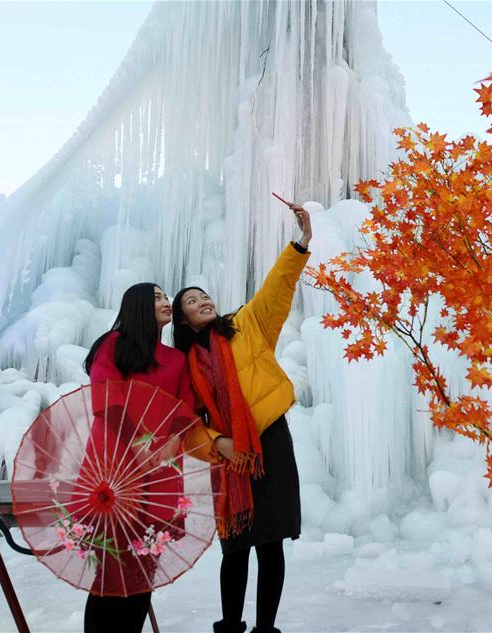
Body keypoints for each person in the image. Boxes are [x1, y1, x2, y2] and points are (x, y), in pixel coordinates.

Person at [174, 203, 312, 633]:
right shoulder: (186, 365)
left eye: (204, 295)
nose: (203, 301)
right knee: (234, 547)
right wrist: (218, 442)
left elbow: (277, 288)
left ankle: (265, 629)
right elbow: (186, 421)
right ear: (182, 319)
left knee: (271, 544)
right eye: (193, 301)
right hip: (227, 457)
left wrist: (300, 243)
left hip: (270, 443)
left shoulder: (247, 325)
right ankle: (230, 626)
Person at [82, 282, 216, 633]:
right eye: (155, 297)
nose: (165, 302)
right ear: (137, 305)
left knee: (144, 570)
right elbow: (104, 400)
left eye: (165, 296)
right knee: (110, 571)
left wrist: (170, 442)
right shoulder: (112, 346)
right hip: (115, 469)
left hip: (160, 473)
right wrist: (136, 441)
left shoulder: (175, 359)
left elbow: (185, 407)